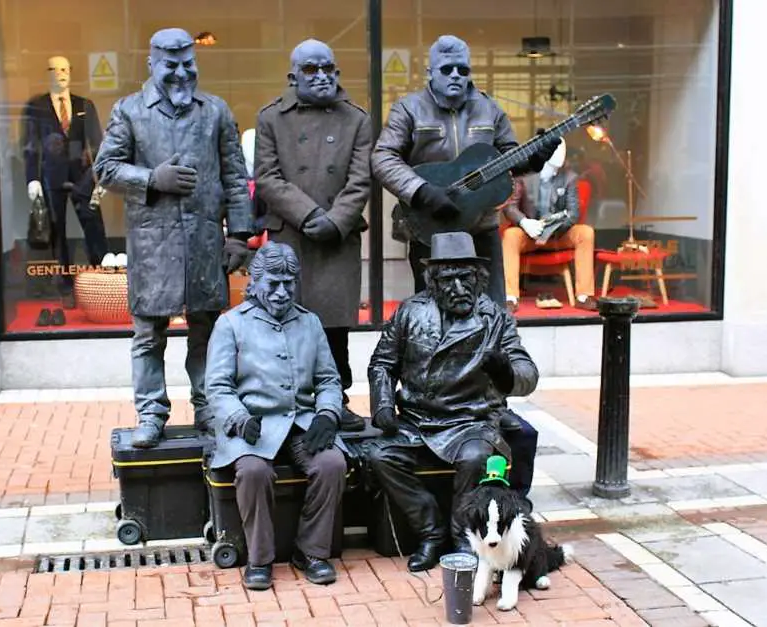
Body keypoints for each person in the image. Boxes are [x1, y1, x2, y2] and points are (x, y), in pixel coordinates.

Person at [94, 28, 252, 448]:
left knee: (207, 332)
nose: (181, 74)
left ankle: (208, 408)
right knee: (148, 336)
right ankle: (150, 413)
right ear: (151, 65)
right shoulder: (129, 112)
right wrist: (152, 178)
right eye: (171, 65)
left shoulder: (215, 112)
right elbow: (106, 168)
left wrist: (238, 234)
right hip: (152, 247)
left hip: (203, 244)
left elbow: (236, 177)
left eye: (188, 64)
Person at [366, 231, 540, 572]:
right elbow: (382, 364)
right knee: (377, 455)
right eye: (448, 279)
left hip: (470, 421)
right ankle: (431, 533)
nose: (459, 288)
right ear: (432, 283)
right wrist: (384, 406)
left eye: (466, 278)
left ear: (479, 280)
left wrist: (506, 374)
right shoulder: (409, 312)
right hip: (417, 420)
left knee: (475, 457)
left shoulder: (494, 318)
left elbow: (527, 372)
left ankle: (462, 538)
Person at [371, 35, 561, 307]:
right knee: (433, 314)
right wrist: (422, 192)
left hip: (482, 226)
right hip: (430, 226)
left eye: (463, 69)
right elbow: (382, 157)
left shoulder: (489, 108)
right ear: (430, 73)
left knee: (491, 310)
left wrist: (533, 160)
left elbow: (508, 156)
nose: (456, 75)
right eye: (447, 69)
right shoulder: (408, 109)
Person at [206, 241, 347, 591]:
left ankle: (311, 551)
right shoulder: (231, 325)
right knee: (253, 472)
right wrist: (239, 418)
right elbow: (217, 387)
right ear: (254, 282)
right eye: (273, 283)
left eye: (289, 283)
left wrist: (327, 414)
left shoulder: (310, 323)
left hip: (301, 423)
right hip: (253, 427)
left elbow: (329, 379)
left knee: (332, 465)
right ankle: (260, 558)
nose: (282, 292)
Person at [255, 38, 372, 432]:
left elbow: (361, 181)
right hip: (291, 235)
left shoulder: (357, 119)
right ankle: (287, 402)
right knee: (284, 320)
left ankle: (336, 400)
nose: (321, 76)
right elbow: (267, 178)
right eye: (310, 70)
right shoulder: (271, 118)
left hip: (337, 239)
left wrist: (335, 220)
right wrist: (308, 215)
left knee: (334, 328)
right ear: (293, 77)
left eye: (328, 69)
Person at [22, 56, 109, 307]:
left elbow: (97, 143)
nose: (60, 74)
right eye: (55, 69)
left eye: (64, 69)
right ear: (47, 73)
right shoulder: (36, 107)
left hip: (83, 177)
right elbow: (30, 145)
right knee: (56, 231)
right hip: (52, 176)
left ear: (70, 72)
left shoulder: (85, 105)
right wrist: (32, 179)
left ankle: (102, 279)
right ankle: (64, 286)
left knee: (93, 226)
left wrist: (102, 177)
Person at [502, 138, 597, 312]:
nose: (561, 153)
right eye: (557, 149)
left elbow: (573, 213)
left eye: (563, 149)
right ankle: (510, 297)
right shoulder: (524, 176)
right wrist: (526, 223)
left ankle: (584, 295)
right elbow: (510, 207)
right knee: (510, 236)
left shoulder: (569, 177)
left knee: (585, 233)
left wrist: (549, 230)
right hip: (530, 234)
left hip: (557, 234)